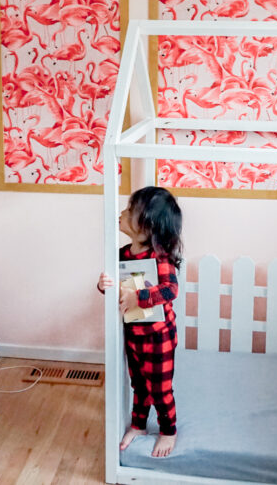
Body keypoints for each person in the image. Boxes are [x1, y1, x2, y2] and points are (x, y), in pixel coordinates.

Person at [97, 186, 182, 458]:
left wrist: (140, 297)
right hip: (134, 333)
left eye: (130, 210)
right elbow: (114, 287)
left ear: (148, 225)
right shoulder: (122, 254)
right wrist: (103, 285)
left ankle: (168, 430)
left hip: (159, 337)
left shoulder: (160, 259)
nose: (121, 213)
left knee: (160, 387)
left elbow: (171, 290)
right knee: (140, 384)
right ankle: (139, 425)